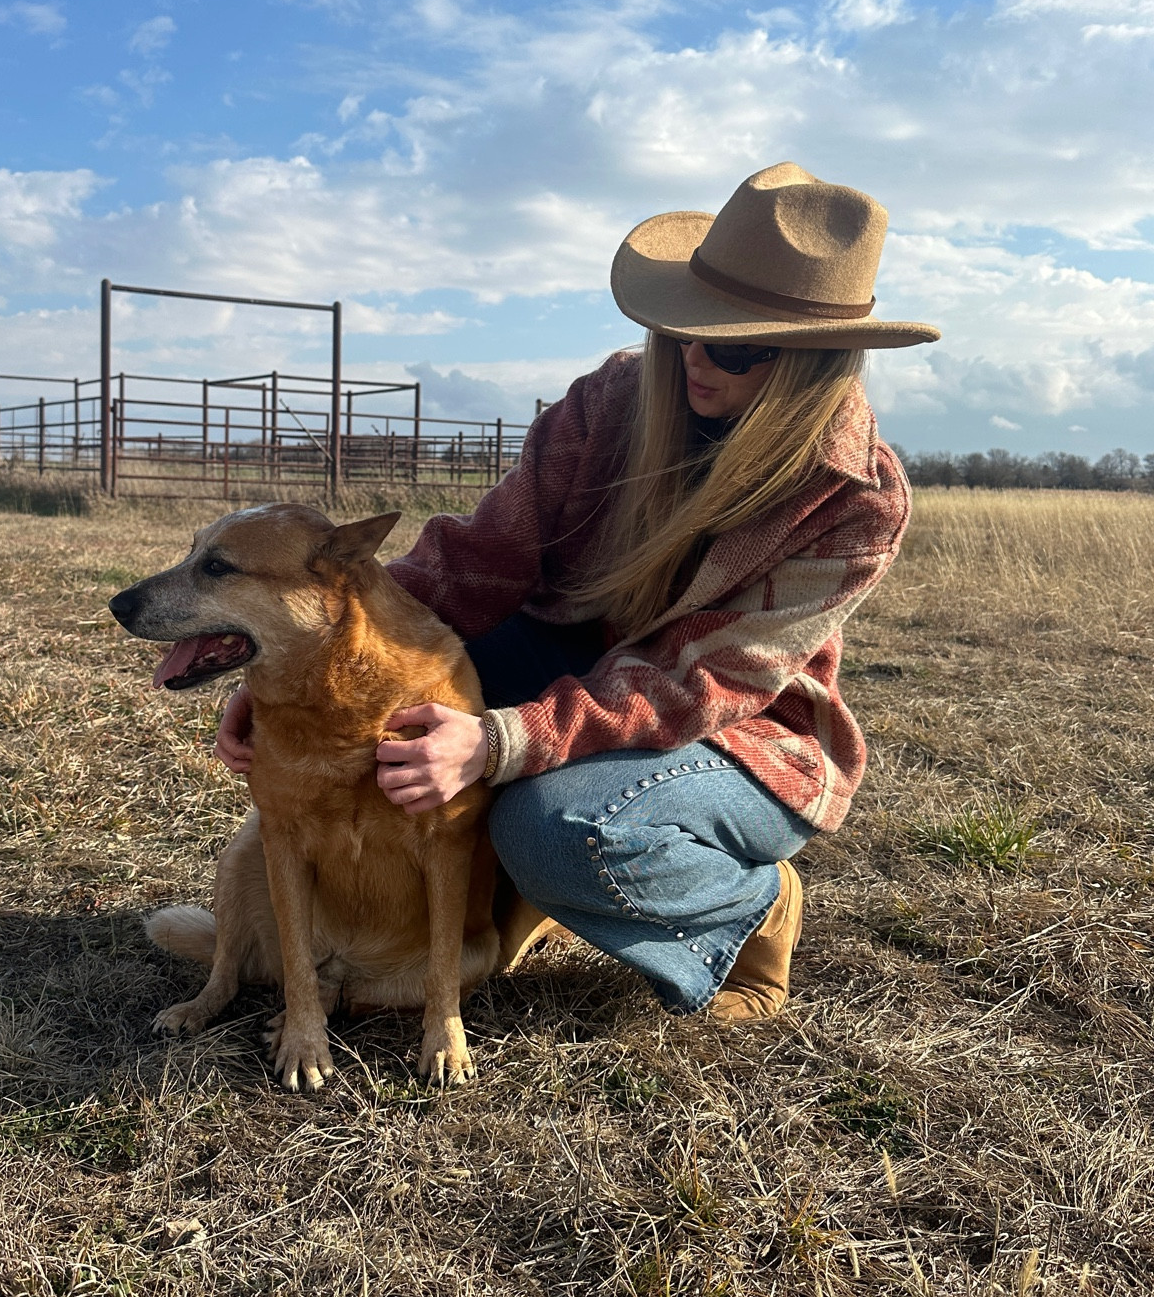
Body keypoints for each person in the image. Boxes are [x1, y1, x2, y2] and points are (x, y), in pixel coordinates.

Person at [215, 161, 940, 1024]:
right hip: (566, 658)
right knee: (385, 713)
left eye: (735, 347)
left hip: (737, 732)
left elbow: (703, 683)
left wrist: (502, 740)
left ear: (814, 366)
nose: (694, 361)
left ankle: (750, 912)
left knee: (554, 830)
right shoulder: (610, 404)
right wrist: (305, 671)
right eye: (680, 331)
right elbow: (477, 558)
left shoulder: (855, 498)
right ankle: (484, 912)